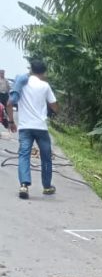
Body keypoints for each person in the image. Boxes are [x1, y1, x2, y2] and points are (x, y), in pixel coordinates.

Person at [6, 59, 58, 200]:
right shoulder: (45, 86)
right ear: (44, 72)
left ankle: (24, 185)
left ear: (31, 70)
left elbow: (9, 104)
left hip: (25, 127)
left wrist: (11, 121)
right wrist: (54, 110)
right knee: (46, 157)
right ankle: (47, 187)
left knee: (24, 155)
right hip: (41, 127)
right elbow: (54, 105)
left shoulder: (20, 84)